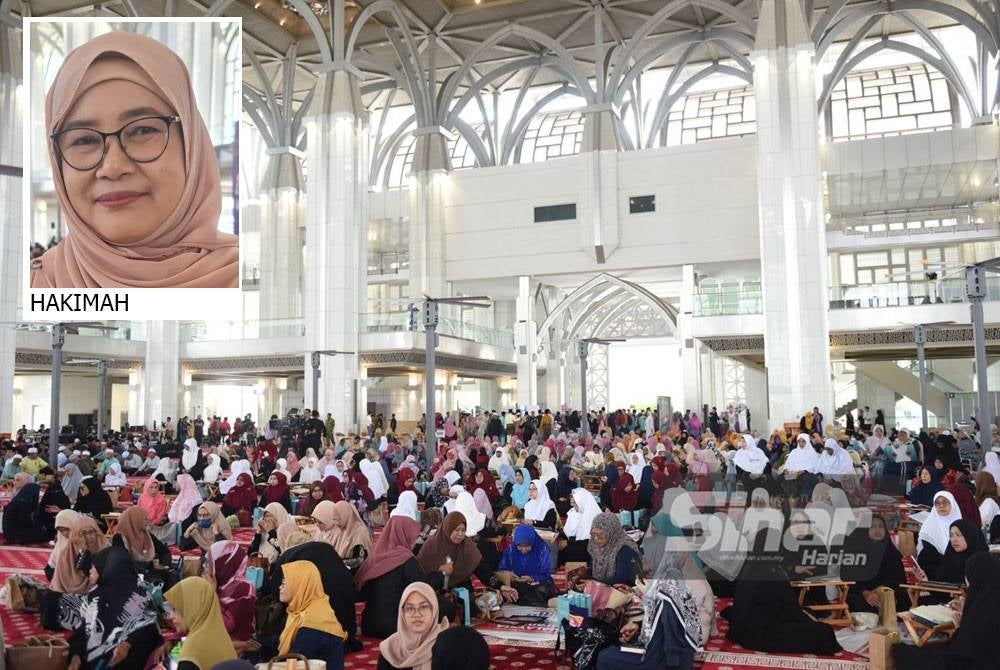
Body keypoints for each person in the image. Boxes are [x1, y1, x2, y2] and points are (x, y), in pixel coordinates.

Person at [34, 31, 238, 288]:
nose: (113, 167)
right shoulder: (39, 283)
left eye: (142, 130)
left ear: (190, 144)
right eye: (84, 140)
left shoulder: (243, 280)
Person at [724, 529, 841, 655]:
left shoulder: (750, 565)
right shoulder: (774, 573)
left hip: (742, 629)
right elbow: (791, 611)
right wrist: (812, 622)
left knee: (806, 611)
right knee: (824, 632)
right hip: (761, 635)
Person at [596, 551, 710, 670]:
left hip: (661, 658)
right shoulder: (677, 585)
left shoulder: (670, 595)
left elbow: (673, 645)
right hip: (667, 649)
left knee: (604, 657)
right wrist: (638, 626)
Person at [892, 553, 1000, 670]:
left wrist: (965, 617)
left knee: (909, 654)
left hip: (974, 662)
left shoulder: (980, 614)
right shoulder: (989, 597)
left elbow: (963, 653)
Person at [67, 547, 163, 670]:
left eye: (95, 567)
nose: (90, 571)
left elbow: (149, 630)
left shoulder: (140, 597)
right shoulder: (95, 596)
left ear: (109, 568)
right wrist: (75, 657)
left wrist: (127, 644)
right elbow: (82, 632)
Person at [268, 536, 362, 654]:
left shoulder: (308, 624)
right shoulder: (319, 606)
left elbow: (275, 589)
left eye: (284, 583)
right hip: (341, 587)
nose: (281, 587)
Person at [356, 515, 429, 638]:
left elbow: (361, 592)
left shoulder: (375, 557)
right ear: (403, 534)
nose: (415, 541)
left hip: (369, 625)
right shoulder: (406, 559)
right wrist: (441, 574)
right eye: (414, 537)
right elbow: (423, 587)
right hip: (396, 627)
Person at [273, 561, 347, 669]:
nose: (280, 587)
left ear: (300, 586)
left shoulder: (312, 623)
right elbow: (280, 640)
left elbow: (294, 662)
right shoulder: (303, 610)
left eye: (284, 584)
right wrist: (254, 645)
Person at [164, 577, 238, 670]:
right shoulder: (220, 635)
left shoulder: (192, 653)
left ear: (192, 608)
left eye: (175, 609)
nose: (171, 616)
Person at [417, 512, 493, 597]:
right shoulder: (432, 545)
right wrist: (440, 571)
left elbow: (482, 569)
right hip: (434, 592)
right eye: (457, 530)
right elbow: (420, 577)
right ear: (448, 528)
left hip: (462, 590)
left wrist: (500, 585)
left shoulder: (466, 545)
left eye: (463, 530)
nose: (460, 534)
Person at [842, 515, 907, 613]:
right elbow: (849, 577)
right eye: (873, 527)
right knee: (855, 601)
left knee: (904, 596)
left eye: (880, 526)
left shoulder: (890, 550)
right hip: (864, 592)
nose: (877, 530)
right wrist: (866, 593)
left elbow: (899, 578)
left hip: (887, 591)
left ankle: (887, 610)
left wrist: (884, 590)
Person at [377, 582, 449, 670]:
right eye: (410, 608)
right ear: (402, 613)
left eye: (423, 607)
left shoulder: (446, 645)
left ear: (434, 609)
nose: (417, 614)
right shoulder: (390, 649)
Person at [916, 519, 987, 598]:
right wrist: (926, 582)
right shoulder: (950, 558)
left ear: (969, 535)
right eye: (951, 535)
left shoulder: (981, 561)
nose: (954, 539)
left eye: (958, 535)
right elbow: (943, 593)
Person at [204, 541, 256, 642]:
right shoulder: (219, 584)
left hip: (234, 645)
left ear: (224, 563)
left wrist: (212, 594)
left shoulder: (244, 590)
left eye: (209, 562)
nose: (205, 566)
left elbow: (224, 626)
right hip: (214, 641)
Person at [496, 525, 556, 606]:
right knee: (507, 590)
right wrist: (510, 575)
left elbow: (546, 573)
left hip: (537, 583)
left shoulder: (542, 549)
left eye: (527, 546)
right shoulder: (511, 549)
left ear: (532, 542)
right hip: (516, 584)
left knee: (542, 588)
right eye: (520, 546)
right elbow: (502, 569)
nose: (523, 550)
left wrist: (531, 578)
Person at [111, 506, 173, 583]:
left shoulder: (147, 535)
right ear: (136, 520)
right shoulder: (119, 538)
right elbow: (122, 562)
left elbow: (164, 552)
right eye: (145, 519)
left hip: (149, 575)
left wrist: (163, 564)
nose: (148, 522)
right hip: (130, 577)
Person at [311, 500, 373, 570]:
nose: (336, 523)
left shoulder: (359, 532)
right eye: (334, 520)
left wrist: (337, 563)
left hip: (358, 571)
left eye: (338, 520)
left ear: (345, 516)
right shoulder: (343, 529)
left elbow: (359, 560)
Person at [917, 491, 963, 580]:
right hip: (935, 569)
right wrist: (949, 563)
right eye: (937, 503)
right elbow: (930, 554)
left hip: (958, 567)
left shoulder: (961, 524)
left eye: (945, 502)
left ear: (952, 504)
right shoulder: (929, 526)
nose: (941, 506)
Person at [588, 512, 643, 586]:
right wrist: (583, 573)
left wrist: (594, 583)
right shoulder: (597, 547)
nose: (596, 538)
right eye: (594, 534)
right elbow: (593, 569)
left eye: (600, 534)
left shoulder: (625, 549)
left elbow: (621, 578)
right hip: (601, 589)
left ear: (611, 532)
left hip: (624, 591)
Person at [2, 473, 48, 544]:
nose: (14, 483)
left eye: (18, 480)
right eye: (15, 480)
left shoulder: (23, 497)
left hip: (12, 532)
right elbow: (24, 521)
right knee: (44, 534)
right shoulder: (23, 500)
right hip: (16, 535)